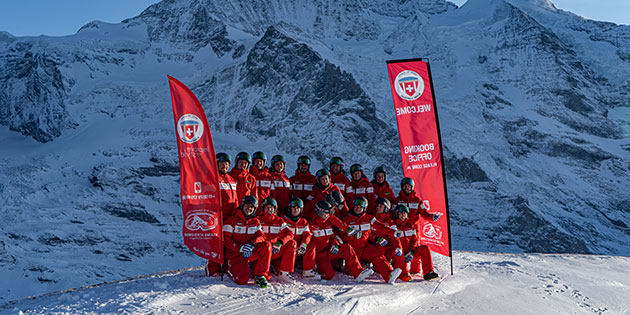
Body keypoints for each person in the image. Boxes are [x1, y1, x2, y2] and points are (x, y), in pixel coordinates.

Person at [341, 197, 402, 284]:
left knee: (378, 255)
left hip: (364, 247)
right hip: (352, 249)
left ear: (364, 208)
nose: (357, 208)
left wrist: (393, 233)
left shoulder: (368, 218)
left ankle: (389, 275)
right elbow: (341, 235)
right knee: (350, 271)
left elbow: (381, 227)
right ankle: (358, 272)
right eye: (356, 205)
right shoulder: (347, 219)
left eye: (360, 206)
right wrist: (352, 236)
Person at [309, 200, 374, 282]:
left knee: (347, 248)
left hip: (329, 250)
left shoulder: (327, 223)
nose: (328, 215)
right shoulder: (311, 225)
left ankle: (358, 272)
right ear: (320, 212)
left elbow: (333, 235)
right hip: (320, 255)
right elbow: (309, 243)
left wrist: (335, 244)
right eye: (326, 213)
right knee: (328, 275)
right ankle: (316, 269)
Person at [222, 196, 273, 287]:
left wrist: (252, 244)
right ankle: (231, 269)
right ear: (242, 206)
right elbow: (225, 239)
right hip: (236, 255)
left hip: (249, 251)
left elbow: (261, 236)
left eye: (251, 207)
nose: (249, 208)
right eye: (247, 205)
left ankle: (260, 275)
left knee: (266, 245)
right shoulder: (232, 220)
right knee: (242, 280)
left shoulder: (256, 222)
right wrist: (239, 248)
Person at [393, 205, 439, 281]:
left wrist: (412, 251)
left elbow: (414, 240)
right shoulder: (394, 226)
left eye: (404, 213)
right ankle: (403, 274)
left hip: (410, 253)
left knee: (425, 248)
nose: (402, 215)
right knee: (398, 254)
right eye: (400, 213)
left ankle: (428, 272)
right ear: (396, 214)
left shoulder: (411, 226)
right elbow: (394, 241)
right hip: (399, 254)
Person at [258, 197, 297, 283]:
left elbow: (290, 234)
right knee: (256, 274)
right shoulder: (258, 220)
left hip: (275, 250)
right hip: (261, 252)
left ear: (275, 209)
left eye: (271, 207)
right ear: (263, 208)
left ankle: (284, 274)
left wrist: (280, 242)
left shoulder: (279, 221)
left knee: (292, 243)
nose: (269, 209)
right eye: (267, 207)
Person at [283, 198, 321, 280]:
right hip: (285, 249)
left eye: (298, 208)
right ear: (290, 208)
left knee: (311, 245)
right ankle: (284, 272)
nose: (296, 210)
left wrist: (303, 244)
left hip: (298, 248)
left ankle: (308, 270)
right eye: (294, 208)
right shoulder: (284, 220)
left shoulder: (303, 222)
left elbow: (307, 235)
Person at [216, 153, 238, 219]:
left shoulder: (231, 179)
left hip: (232, 215)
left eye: (226, 164)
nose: (225, 166)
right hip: (220, 215)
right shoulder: (213, 178)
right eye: (222, 164)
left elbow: (235, 198)